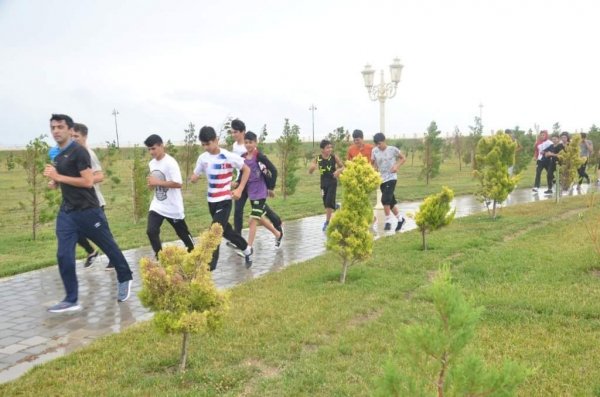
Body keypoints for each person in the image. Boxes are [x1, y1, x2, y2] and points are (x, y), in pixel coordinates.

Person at [43, 114, 133, 313]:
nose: (56, 131)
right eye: (53, 127)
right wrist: (54, 181)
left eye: (60, 127)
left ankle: (125, 277)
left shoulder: (80, 152)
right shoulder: (57, 155)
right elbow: (63, 179)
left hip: (88, 211)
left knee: (109, 247)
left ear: (69, 129)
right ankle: (71, 298)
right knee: (63, 255)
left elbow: (88, 182)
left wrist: (58, 176)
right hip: (67, 212)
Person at [191, 126, 253, 269]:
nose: (206, 147)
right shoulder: (202, 158)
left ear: (216, 140)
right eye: (203, 144)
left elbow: (246, 170)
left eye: (209, 143)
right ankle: (247, 249)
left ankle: (209, 266)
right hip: (211, 201)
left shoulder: (228, 156)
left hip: (224, 200)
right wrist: (193, 178)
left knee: (215, 231)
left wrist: (239, 189)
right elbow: (196, 174)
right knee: (227, 232)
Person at [229, 119, 283, 243]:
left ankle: (249, 248)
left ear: (243, 132)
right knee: (240, 211)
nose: (233, 135)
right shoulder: (236, 148)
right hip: (244, 184)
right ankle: (238, 239)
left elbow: (268, 169)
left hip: (258, 188)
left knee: (256, 216)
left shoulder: (257, 153)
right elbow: (241, 168)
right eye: (232, 132)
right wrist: (237, 181)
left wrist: (270, 188)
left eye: (235, 132)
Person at [144, 134, 195, 259]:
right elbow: (155, 182)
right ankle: (160, 258)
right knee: (151, 231)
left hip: (173, 206)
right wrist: (151, 185)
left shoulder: (170, 163)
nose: (151, 152)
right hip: (158, 204)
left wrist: (158, 183)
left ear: (161, 146)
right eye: (149, 149)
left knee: (183, 234)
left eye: (153, 148)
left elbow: (178, 184)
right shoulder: (151, 163)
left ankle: (194, 253)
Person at [70, 123, 112, 270]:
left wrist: (84, 181)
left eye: (76, 136)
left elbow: (100, 176)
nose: (73, 139)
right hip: (78, 203)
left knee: (102, 234)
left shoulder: (88, 153)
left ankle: (114, 259)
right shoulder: (72, 154)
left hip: (94, 202)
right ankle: (91, 252)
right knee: (73, 230)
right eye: (71, 136)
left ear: (85, 137)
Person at [242, 131, 283, 251]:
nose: (248, 145)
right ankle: (277, 234)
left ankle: (248, 248)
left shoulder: (259, 156)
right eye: (246, 142)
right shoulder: (243, 157)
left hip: (260, 192)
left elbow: (274, 170)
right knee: (259, 217)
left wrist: (271, 188)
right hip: (251, 193)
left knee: (252, 220)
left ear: (255, 142)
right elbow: (242, 173)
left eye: (250, 142)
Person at [371, 132, 406, 232]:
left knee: (385, 200)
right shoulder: (374, 151)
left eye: (380, 143)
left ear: (384, 141)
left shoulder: (392, 149)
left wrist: (396, 166)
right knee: (390, 202)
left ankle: (388, 221)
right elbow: (373, 164)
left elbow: (403, 158)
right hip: (381, 179)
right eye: (377, 144)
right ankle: (400, 219)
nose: (379, 146)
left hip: (391, 177)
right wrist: (374, 170)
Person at [309, 139, 344, 231]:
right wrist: (312, 168)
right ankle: (336, 206)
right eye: (327, 147)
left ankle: (327, 223)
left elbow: (343, 166)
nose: (330, 149)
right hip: (323, 183)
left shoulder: (334, 157)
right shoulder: (318, 158)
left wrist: (338, 171)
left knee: (328, 203)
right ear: (322, 149)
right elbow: (310, 171)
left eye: (331, 147)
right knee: (326, 203)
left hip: (332, 181)